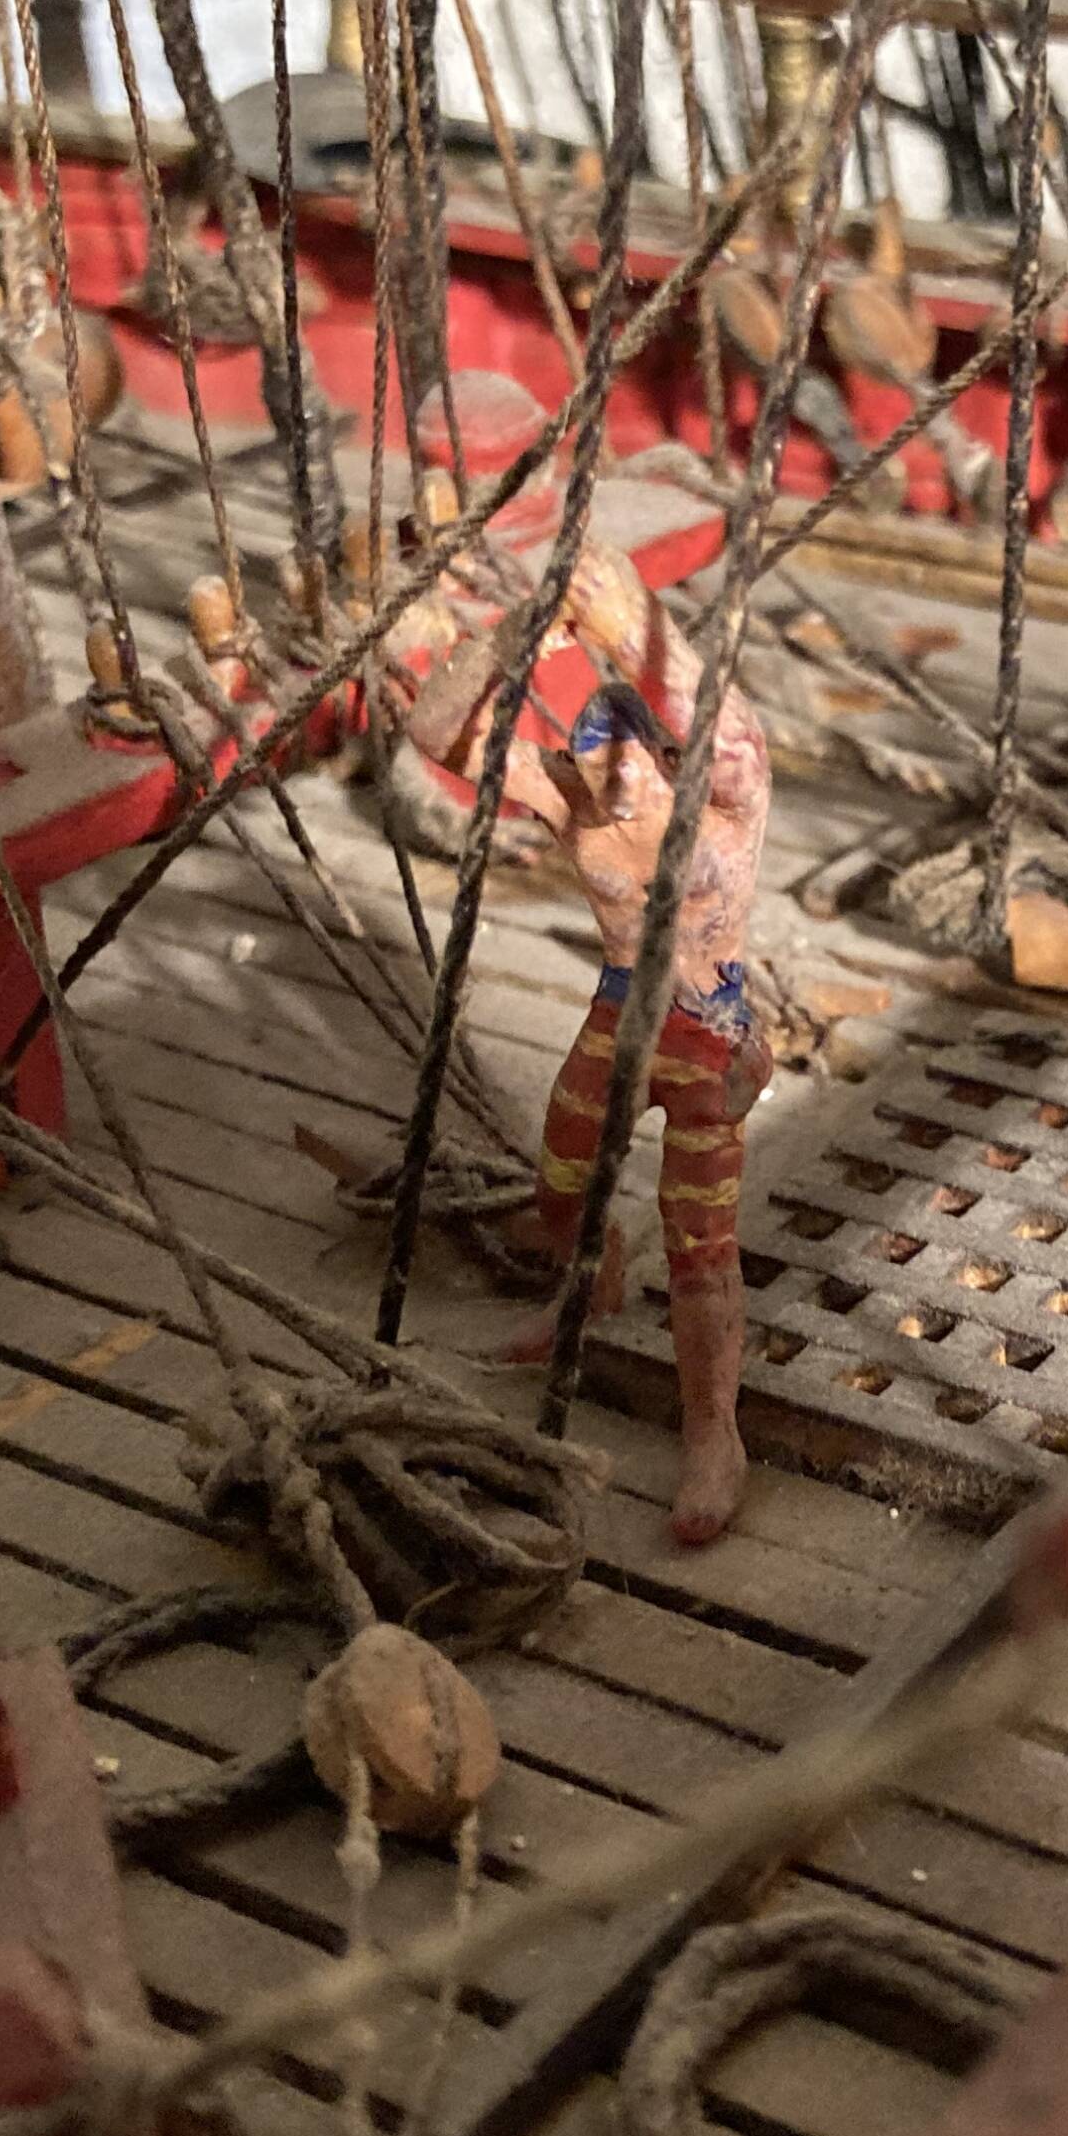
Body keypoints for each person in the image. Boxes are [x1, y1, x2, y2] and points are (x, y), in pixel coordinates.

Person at [401, 546, 770, 1545]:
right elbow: (435, 733)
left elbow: (718, 717)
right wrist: (519, 634)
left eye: (627, 775)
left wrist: (610, 611)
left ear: (665, 763)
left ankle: (712, 1435)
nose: (609, 792)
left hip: (705, 1030)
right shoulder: (574, 800)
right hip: (616, 1022)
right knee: (560, 1190)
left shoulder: (724, 804)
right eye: (591, 769)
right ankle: (592, 1280)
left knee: (700, 1246)